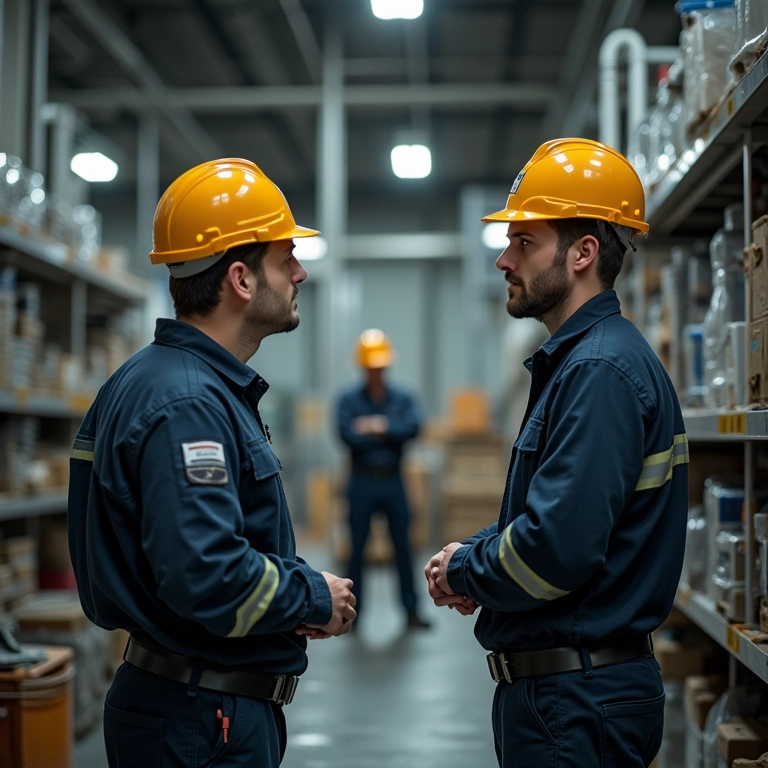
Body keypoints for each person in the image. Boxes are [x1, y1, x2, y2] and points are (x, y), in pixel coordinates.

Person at [67, 158, 356, 768]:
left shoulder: (162, 381)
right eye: (286, 260)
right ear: (241, 281)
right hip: (201, 720)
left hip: (191, 706)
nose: (301, 272)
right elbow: (205, 573)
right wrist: (312, 596)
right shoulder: (188, 403)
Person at [425, 138, 689, 767]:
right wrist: (476, 553)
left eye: (524, 243)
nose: (503, 260)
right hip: (574, 693)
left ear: (582, 254)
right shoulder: (586, 362)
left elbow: (554, 548)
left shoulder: (599, 370)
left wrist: (466, 571)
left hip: (576, 700)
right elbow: (552, 514)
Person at [336, 329, 431, 630]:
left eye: (380, 366)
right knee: (357, 549)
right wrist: (391, 432)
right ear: (363, 367)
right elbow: (346, 436)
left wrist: (377, 427)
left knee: (403, 546)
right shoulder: (348, 400)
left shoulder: (402, 398)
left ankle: (411, 609)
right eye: (371, 367)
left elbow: (414, 428)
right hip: (362, 480)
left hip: (393, 481)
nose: (376, 372)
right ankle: (353, 613)